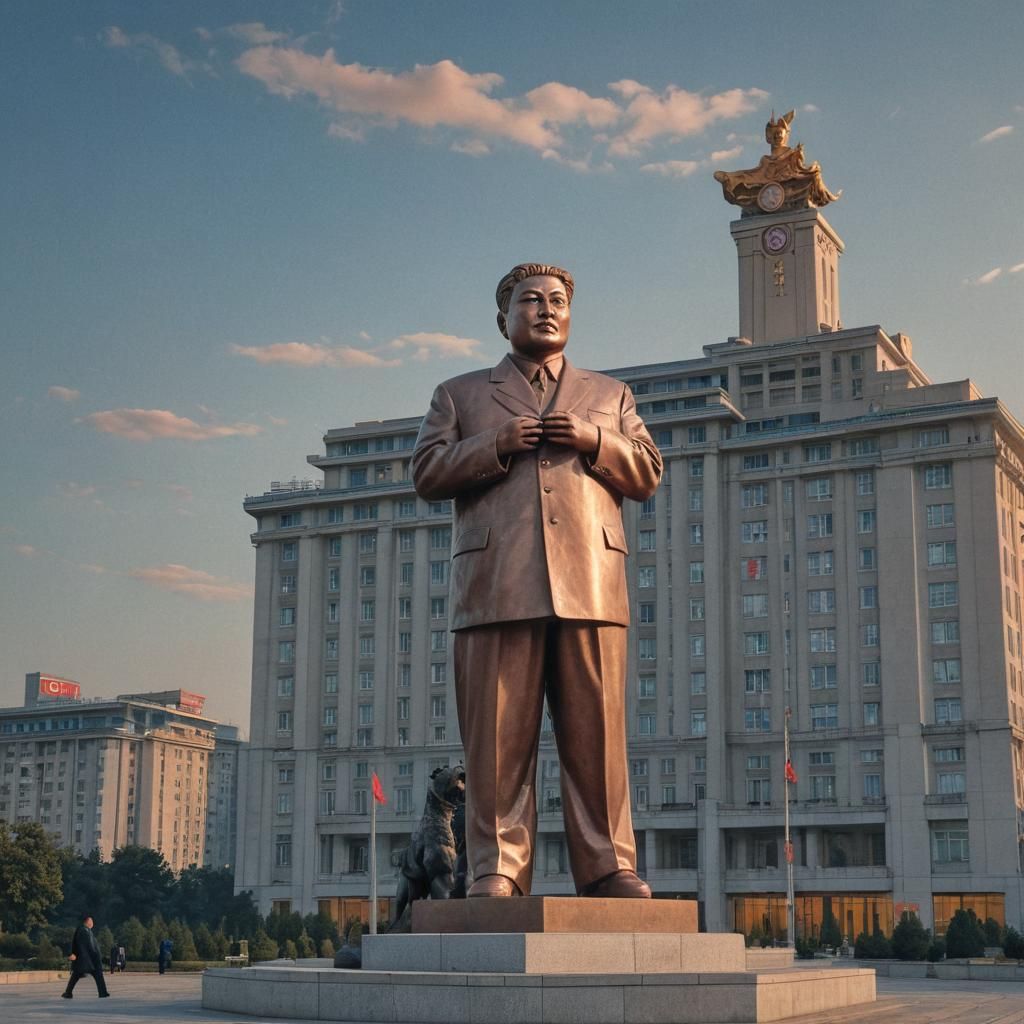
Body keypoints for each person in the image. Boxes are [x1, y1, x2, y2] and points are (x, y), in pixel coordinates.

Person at [412, 263, 662, 899]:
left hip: (593, 581)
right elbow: (427, 473)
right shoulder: (460, 393)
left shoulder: (610, 395)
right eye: (530, 300)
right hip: (497, 582)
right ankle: (496, 866)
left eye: (557, 301)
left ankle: (608, 866)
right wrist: (494, 443)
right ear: (503, 317)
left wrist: (594, 438)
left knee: (598, 736)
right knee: (497, 740)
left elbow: (647, 472)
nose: (546, 310)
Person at [61, 914, 109, 999]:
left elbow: (74, 943)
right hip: (88, 959)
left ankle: (68, 993)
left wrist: (73, 953)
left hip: (83, 959)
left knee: (76, 975)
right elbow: (91, 946)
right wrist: (96, 956)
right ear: (88, 921)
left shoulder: (82, 930)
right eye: (91, 921)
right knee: (97, 975)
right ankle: (102, 993)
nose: (93, 923)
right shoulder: (85, 931)